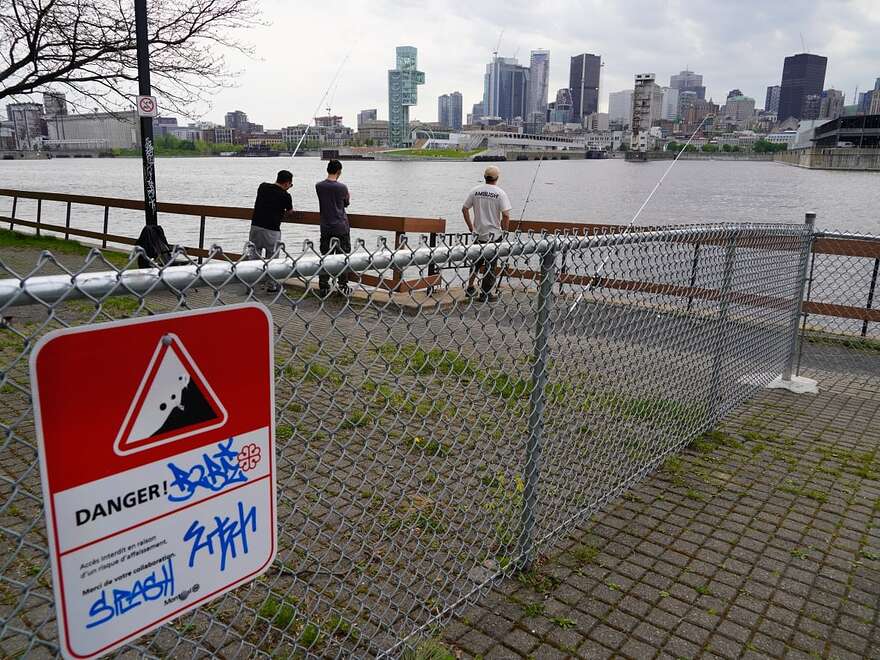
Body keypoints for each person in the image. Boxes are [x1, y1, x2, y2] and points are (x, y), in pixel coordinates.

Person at [461, 165, 512, 302]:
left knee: (476, 262)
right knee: (491, 264)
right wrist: (505, 231)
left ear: (484, 177)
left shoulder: (475, 191)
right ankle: (486, 293)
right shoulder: (500, 193)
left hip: (478, 234)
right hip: (494, 236)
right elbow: (506, 215)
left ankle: (470, 287)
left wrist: (471, 227)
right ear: (497, 178)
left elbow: (464, 209)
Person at [249, 170, 296, 292]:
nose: (290, 187)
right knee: (272, 258)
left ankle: (250, 284)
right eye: (290, 185)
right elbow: (290, 212)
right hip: (272, 229)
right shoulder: (286, 196)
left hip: (256, 226)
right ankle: (271, 285)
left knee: (254, 255)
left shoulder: (263, 187)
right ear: (287, 183)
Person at [315, 159, 351, 296]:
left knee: (326, 257)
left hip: (325, 227)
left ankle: (323, 285)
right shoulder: (342, 187)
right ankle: (343, 285)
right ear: (339, 171)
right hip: (341, 226)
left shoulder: (319, 186)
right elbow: (346, 203)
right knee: (343, 257)